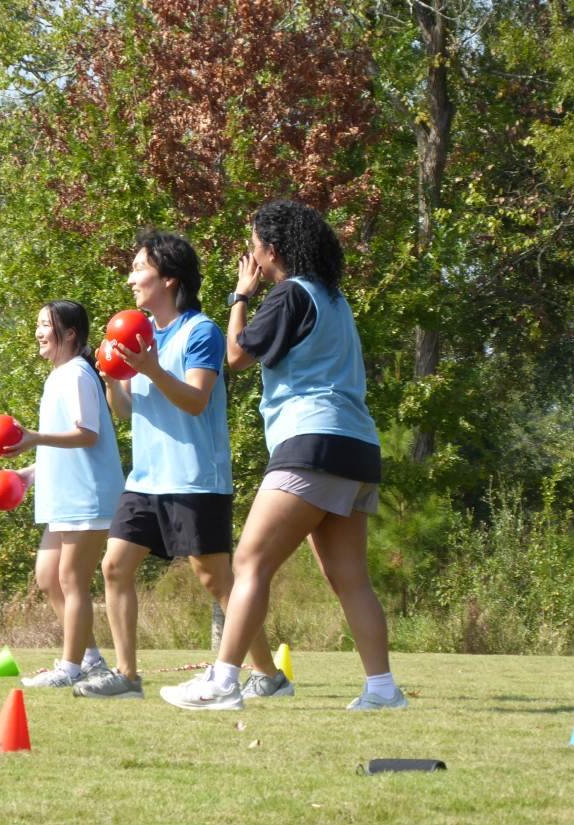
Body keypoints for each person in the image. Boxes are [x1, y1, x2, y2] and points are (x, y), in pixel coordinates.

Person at [160, 200, 406, 711]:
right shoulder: (334, 299)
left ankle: (223, 683)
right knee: (351, 580)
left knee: (249, 562)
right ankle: (382, 690)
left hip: (311, 441)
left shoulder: (290, 293)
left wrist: (240, 296)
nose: (251, 257)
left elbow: (235, 356)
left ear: (272, 251)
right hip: (357, 447)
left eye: (254, 247)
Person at [72, 230, 287, 700]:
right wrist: (112, 381)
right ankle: (128, 677)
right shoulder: (140, 335)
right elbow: (127, 411)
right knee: (115, 566)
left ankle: (269, 676)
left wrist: (150, 369)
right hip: (146, 480)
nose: (131, 279)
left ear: (168, 279)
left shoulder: (201, 331)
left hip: (195, 479)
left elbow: (196, 399)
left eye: (139, 269)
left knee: (217, 581)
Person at [3, 300, 124, 688]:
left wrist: (34, 438)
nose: (38, 332)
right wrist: (27, 474)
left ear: (70, 333)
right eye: (38, 324)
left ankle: (70, 669)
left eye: (46, 325)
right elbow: (62, 447)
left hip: (86, 497)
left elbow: (87, 434)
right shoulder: (58, 376)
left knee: (71, 579)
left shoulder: (77, 374)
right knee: (48, 578)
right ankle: (90, 660)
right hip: (63, 498)